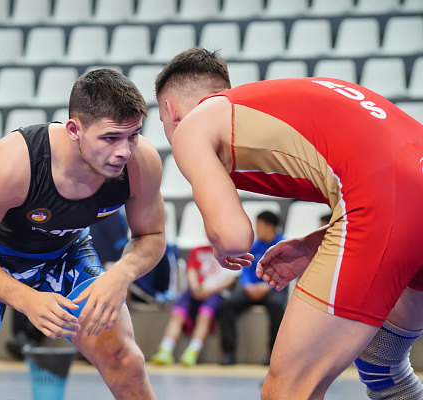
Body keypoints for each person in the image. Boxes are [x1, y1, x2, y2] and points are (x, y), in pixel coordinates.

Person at [155, 47, 423, 399]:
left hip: (384, 205)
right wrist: (314, 244)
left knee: (286, 390)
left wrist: (220, 244)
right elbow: (387, 174)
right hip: (405, 188)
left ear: (171, 111)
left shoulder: (192, 124)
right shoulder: (270, 102)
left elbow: (234, 237)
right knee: (382, 362)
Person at [0, 69, 166, 400]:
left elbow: (152, 235)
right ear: (74, 130)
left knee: (127, 362)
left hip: (66, 254)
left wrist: (121, 273)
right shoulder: (14, 161)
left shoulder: (142, 164)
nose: (124, 152)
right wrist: (26, 299)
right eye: (110, 138)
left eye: (133, 135)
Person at [217, 211, 287, 366]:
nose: (257, 229)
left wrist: (267, 286)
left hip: (272, 288)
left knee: (277, 306)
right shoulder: (254, 246)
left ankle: (272, 354)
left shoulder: (283, 245)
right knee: (227, 304)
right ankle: (228, 353)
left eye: (259, 226)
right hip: (251, 289)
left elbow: (286, 271)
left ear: (270, 227)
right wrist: (247, 286)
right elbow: (245, 270)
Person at [151, 244, 238, 367]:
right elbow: (191, 271)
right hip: (194, 291)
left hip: (216, 293)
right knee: (177, 313)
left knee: (205, 315)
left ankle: (192, 352)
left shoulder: (232, 254)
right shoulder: (197, 251)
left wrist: (209, 290)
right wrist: (195, 288)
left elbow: (230, 279)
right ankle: (165, 349)